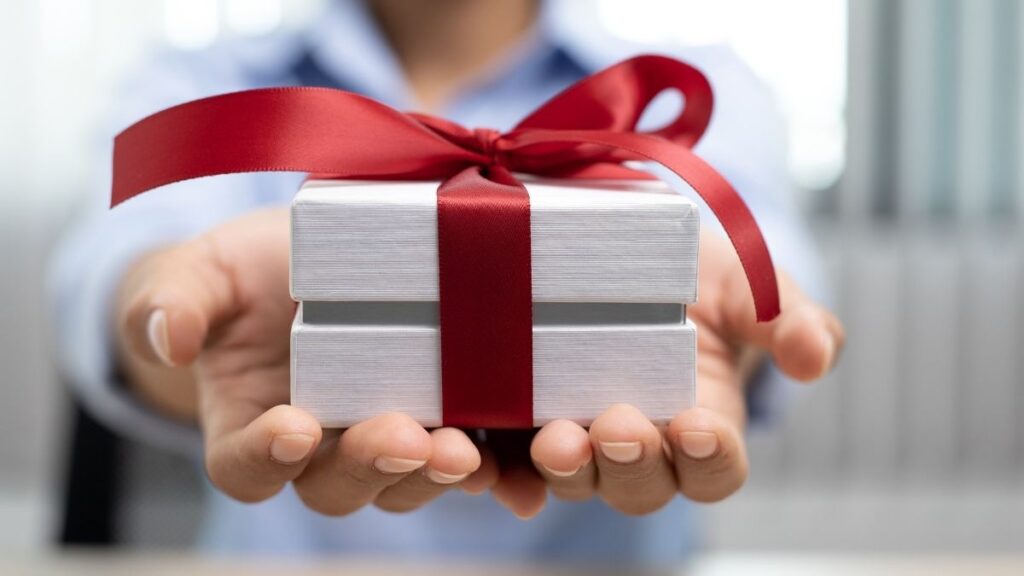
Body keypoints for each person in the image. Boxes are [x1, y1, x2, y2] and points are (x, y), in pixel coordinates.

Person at [51, 0, 843, 566]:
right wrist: (174, 318)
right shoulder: (205, 74)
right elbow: (121, 267)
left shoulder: (682, 88)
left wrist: (729, 338)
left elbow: (760, 274)